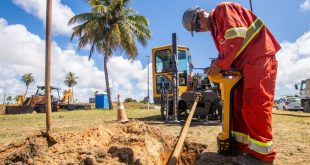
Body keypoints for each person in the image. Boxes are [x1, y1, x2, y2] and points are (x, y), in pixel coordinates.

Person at [182, 2, 280, 165]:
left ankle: (262, 158)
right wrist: (220, 65)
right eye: (196, 30)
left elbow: (235, 38)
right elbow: (229, 51)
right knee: (237, 106)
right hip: (243, 65)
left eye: (197, 26)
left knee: (255, 105)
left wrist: (219, 65)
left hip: (258, 58)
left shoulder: (223, 10)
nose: (200, 30)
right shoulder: (215, 30)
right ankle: (240, 146)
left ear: (200, 14)